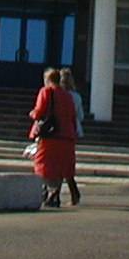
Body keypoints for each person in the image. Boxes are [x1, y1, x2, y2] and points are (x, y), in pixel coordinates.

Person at [28, 67, 77, 209]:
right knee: (61, 166)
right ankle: (55, 195)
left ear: (47, 79)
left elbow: (39, 112)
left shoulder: (46, 92)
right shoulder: (68, 96)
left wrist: (32, 113)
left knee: (44, 166)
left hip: (50, 136)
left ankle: (47, 194)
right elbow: (73, 116)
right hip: (66, 136)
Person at [59, 67, 84, 206]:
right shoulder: (76, 97)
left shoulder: (59, 95)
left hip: (61, 130)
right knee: (66, 162)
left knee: (58, 162)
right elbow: (80, 115)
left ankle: (55, 193)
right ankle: (74, 193)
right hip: (73, 131)